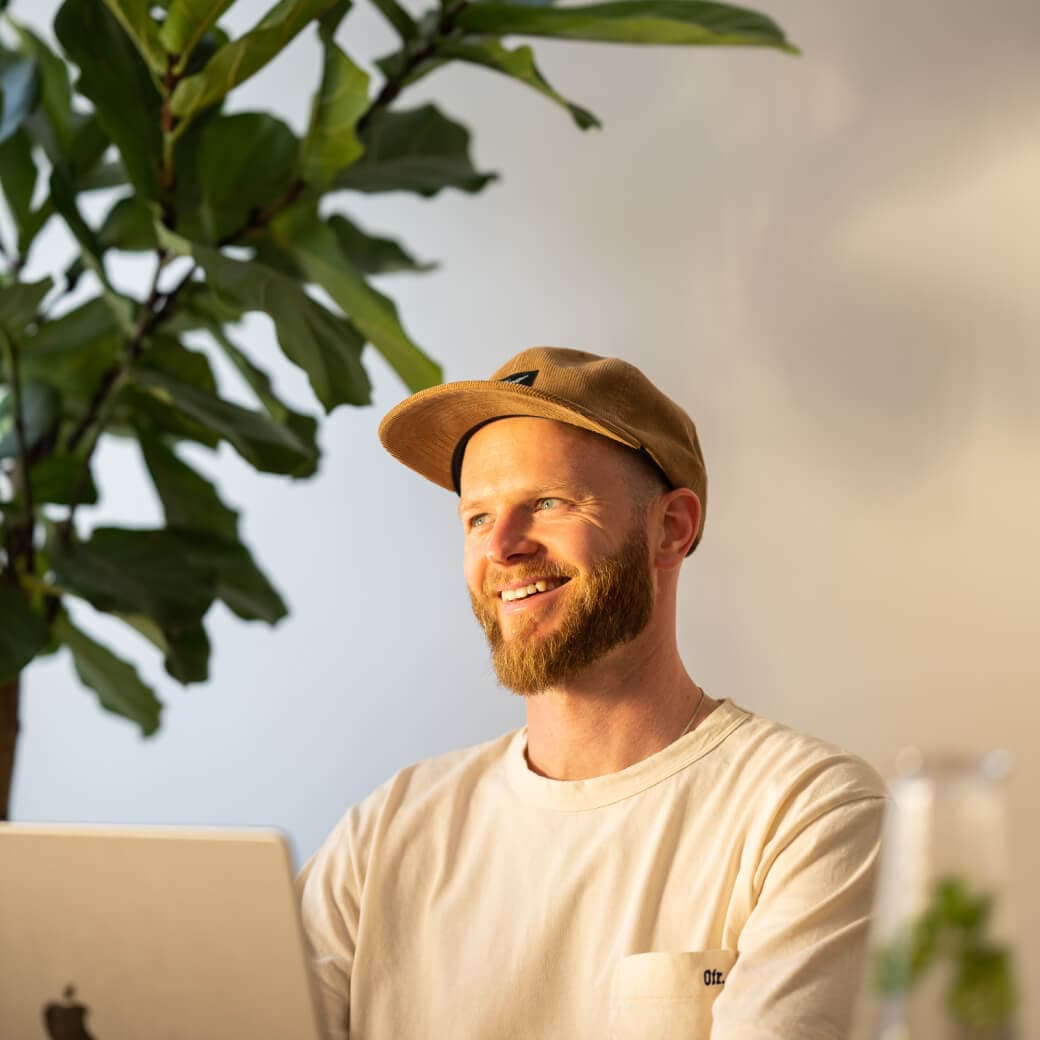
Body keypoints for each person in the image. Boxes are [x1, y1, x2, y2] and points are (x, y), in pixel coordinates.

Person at [298, 347, 885, 1040]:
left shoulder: (805, 814)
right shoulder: (383, 835)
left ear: (672, 528)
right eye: (478, 517)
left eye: (547, 503)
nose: (502, 549)